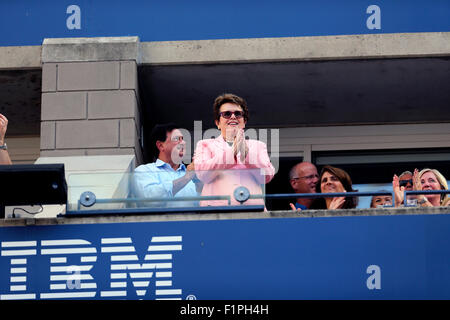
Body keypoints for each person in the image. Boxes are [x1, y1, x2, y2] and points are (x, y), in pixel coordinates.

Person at [193, 93, 275, 206]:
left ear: (244, 121)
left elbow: (267, 176)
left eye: (238, 114)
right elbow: (203, 175)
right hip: (216, 213)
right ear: (217, 123)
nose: (233, 117)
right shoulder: (205, 144)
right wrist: (232, 153)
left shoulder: (258, 146)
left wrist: (246, 154)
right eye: (226, 114)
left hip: (253, 213)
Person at [133, 123, 202, 208]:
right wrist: (186, 178)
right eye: (177, 139)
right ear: (161, 145)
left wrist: (199, 183)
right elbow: (149, 201)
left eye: (183, 139)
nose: (183, 142)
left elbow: (206, 208)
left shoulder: (193, 176)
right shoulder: (144, 171)